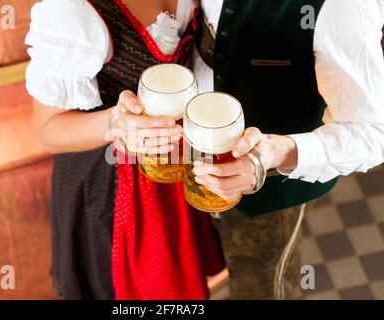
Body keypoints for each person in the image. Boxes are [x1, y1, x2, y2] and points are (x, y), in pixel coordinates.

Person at [24, 0, 224, 300]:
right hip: (113, 184)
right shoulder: (71, 12)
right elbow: (47, 130)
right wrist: (116, 122)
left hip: (175, 162)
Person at [192, 0, 384, 299]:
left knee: (263, 291)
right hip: (186, 157)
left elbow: (374, 131)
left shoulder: (344, 7)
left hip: (264, 196)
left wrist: (278, 152)